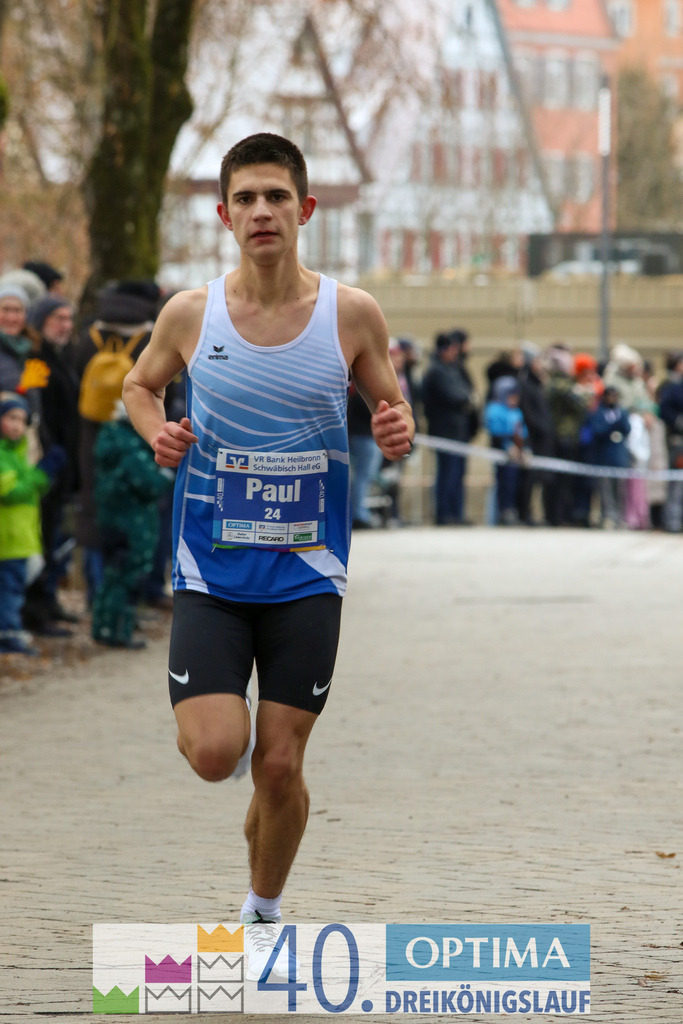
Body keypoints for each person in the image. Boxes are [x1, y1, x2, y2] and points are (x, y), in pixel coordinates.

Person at [122, 132, 413, 979]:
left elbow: (390, 407)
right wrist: (158, 433)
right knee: (220, 753)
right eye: (245, 198)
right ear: (223, 215)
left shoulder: (350, 313)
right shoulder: (190, 312)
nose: (261, 212)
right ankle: (249, 789)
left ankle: (261, 916)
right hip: (212, 571)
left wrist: (395, 428)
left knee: (280, 764)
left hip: (307, 575)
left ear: (304, 210)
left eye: (276, 197)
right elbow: (141, 386)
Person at [91, 401, 174, 649]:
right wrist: (167, 472)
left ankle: (103, 628)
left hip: (113, 522)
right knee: (128, 577)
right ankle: (119, 634)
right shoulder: (131, 449)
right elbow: (150, 485)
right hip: (133, 527)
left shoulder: (110, 439)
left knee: (113, 575)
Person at [22, 296, 81, 635]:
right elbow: (36, 410)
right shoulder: (36, 359)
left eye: (68, 318)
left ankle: (49, 600)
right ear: (41, 321)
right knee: (41, 537)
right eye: (58, 318)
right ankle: (36, 610)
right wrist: (51, 459)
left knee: (56, 536)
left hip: (63, 465)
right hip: (46, 466)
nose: (65, 325)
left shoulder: (61, 357)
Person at [0, 393, 64, 656]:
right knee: (10, 591)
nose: (17, 426)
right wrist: (43, 472)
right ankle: (8, 635)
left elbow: (32, 487)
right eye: (11, 418)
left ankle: (10, 631)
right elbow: (12, 490)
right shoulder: (4, 456)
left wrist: (43, 473)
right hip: (8, 541)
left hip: (23, 538)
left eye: (22, 420)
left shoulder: (18, 453)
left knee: (14, 589)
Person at [422, 328, 477, 525]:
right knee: (447, 474)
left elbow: (467, 392)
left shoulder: (453, 369)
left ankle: (456, 513)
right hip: (445, 432)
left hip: (458, 432)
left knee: (457, 474)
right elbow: (457, 395)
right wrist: (467, 398)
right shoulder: (436, 371)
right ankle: (444, 514)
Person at [484, 376, 529, 526]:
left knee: (517, 483)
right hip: (502, 454)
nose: (514, 400)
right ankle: (503, 512)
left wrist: (525, 449)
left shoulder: (516, 411)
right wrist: (507, 445)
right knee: (503, 483)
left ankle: (515, 511)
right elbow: (495, 431)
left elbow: (522, 431)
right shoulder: (494, 409)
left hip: (517, 454)